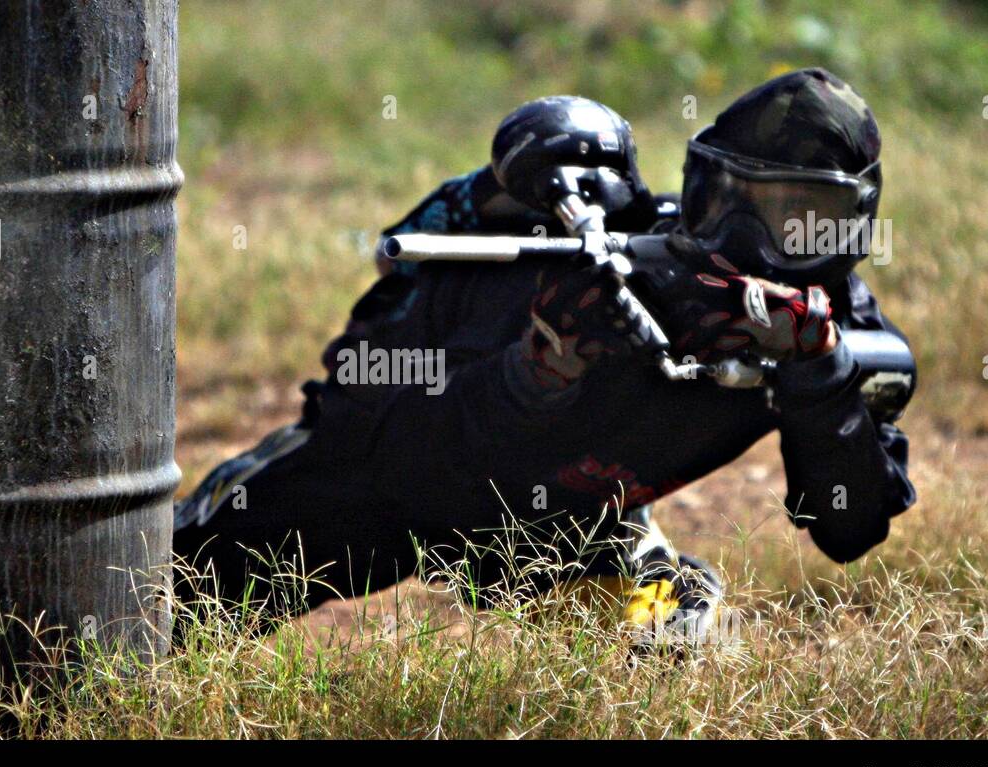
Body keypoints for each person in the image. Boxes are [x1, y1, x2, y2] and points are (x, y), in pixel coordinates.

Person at [171, 70, 915, 644]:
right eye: (753, 203)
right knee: (152, 602)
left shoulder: (832, 325)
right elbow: (415, 449)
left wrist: (815, 374)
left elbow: (848, 530)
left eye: (804, 219)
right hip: (375, 477)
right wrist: (537, 372)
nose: (768, 240)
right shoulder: (591, 265)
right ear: (705, 192)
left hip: (563, 531)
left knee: (672, 624)